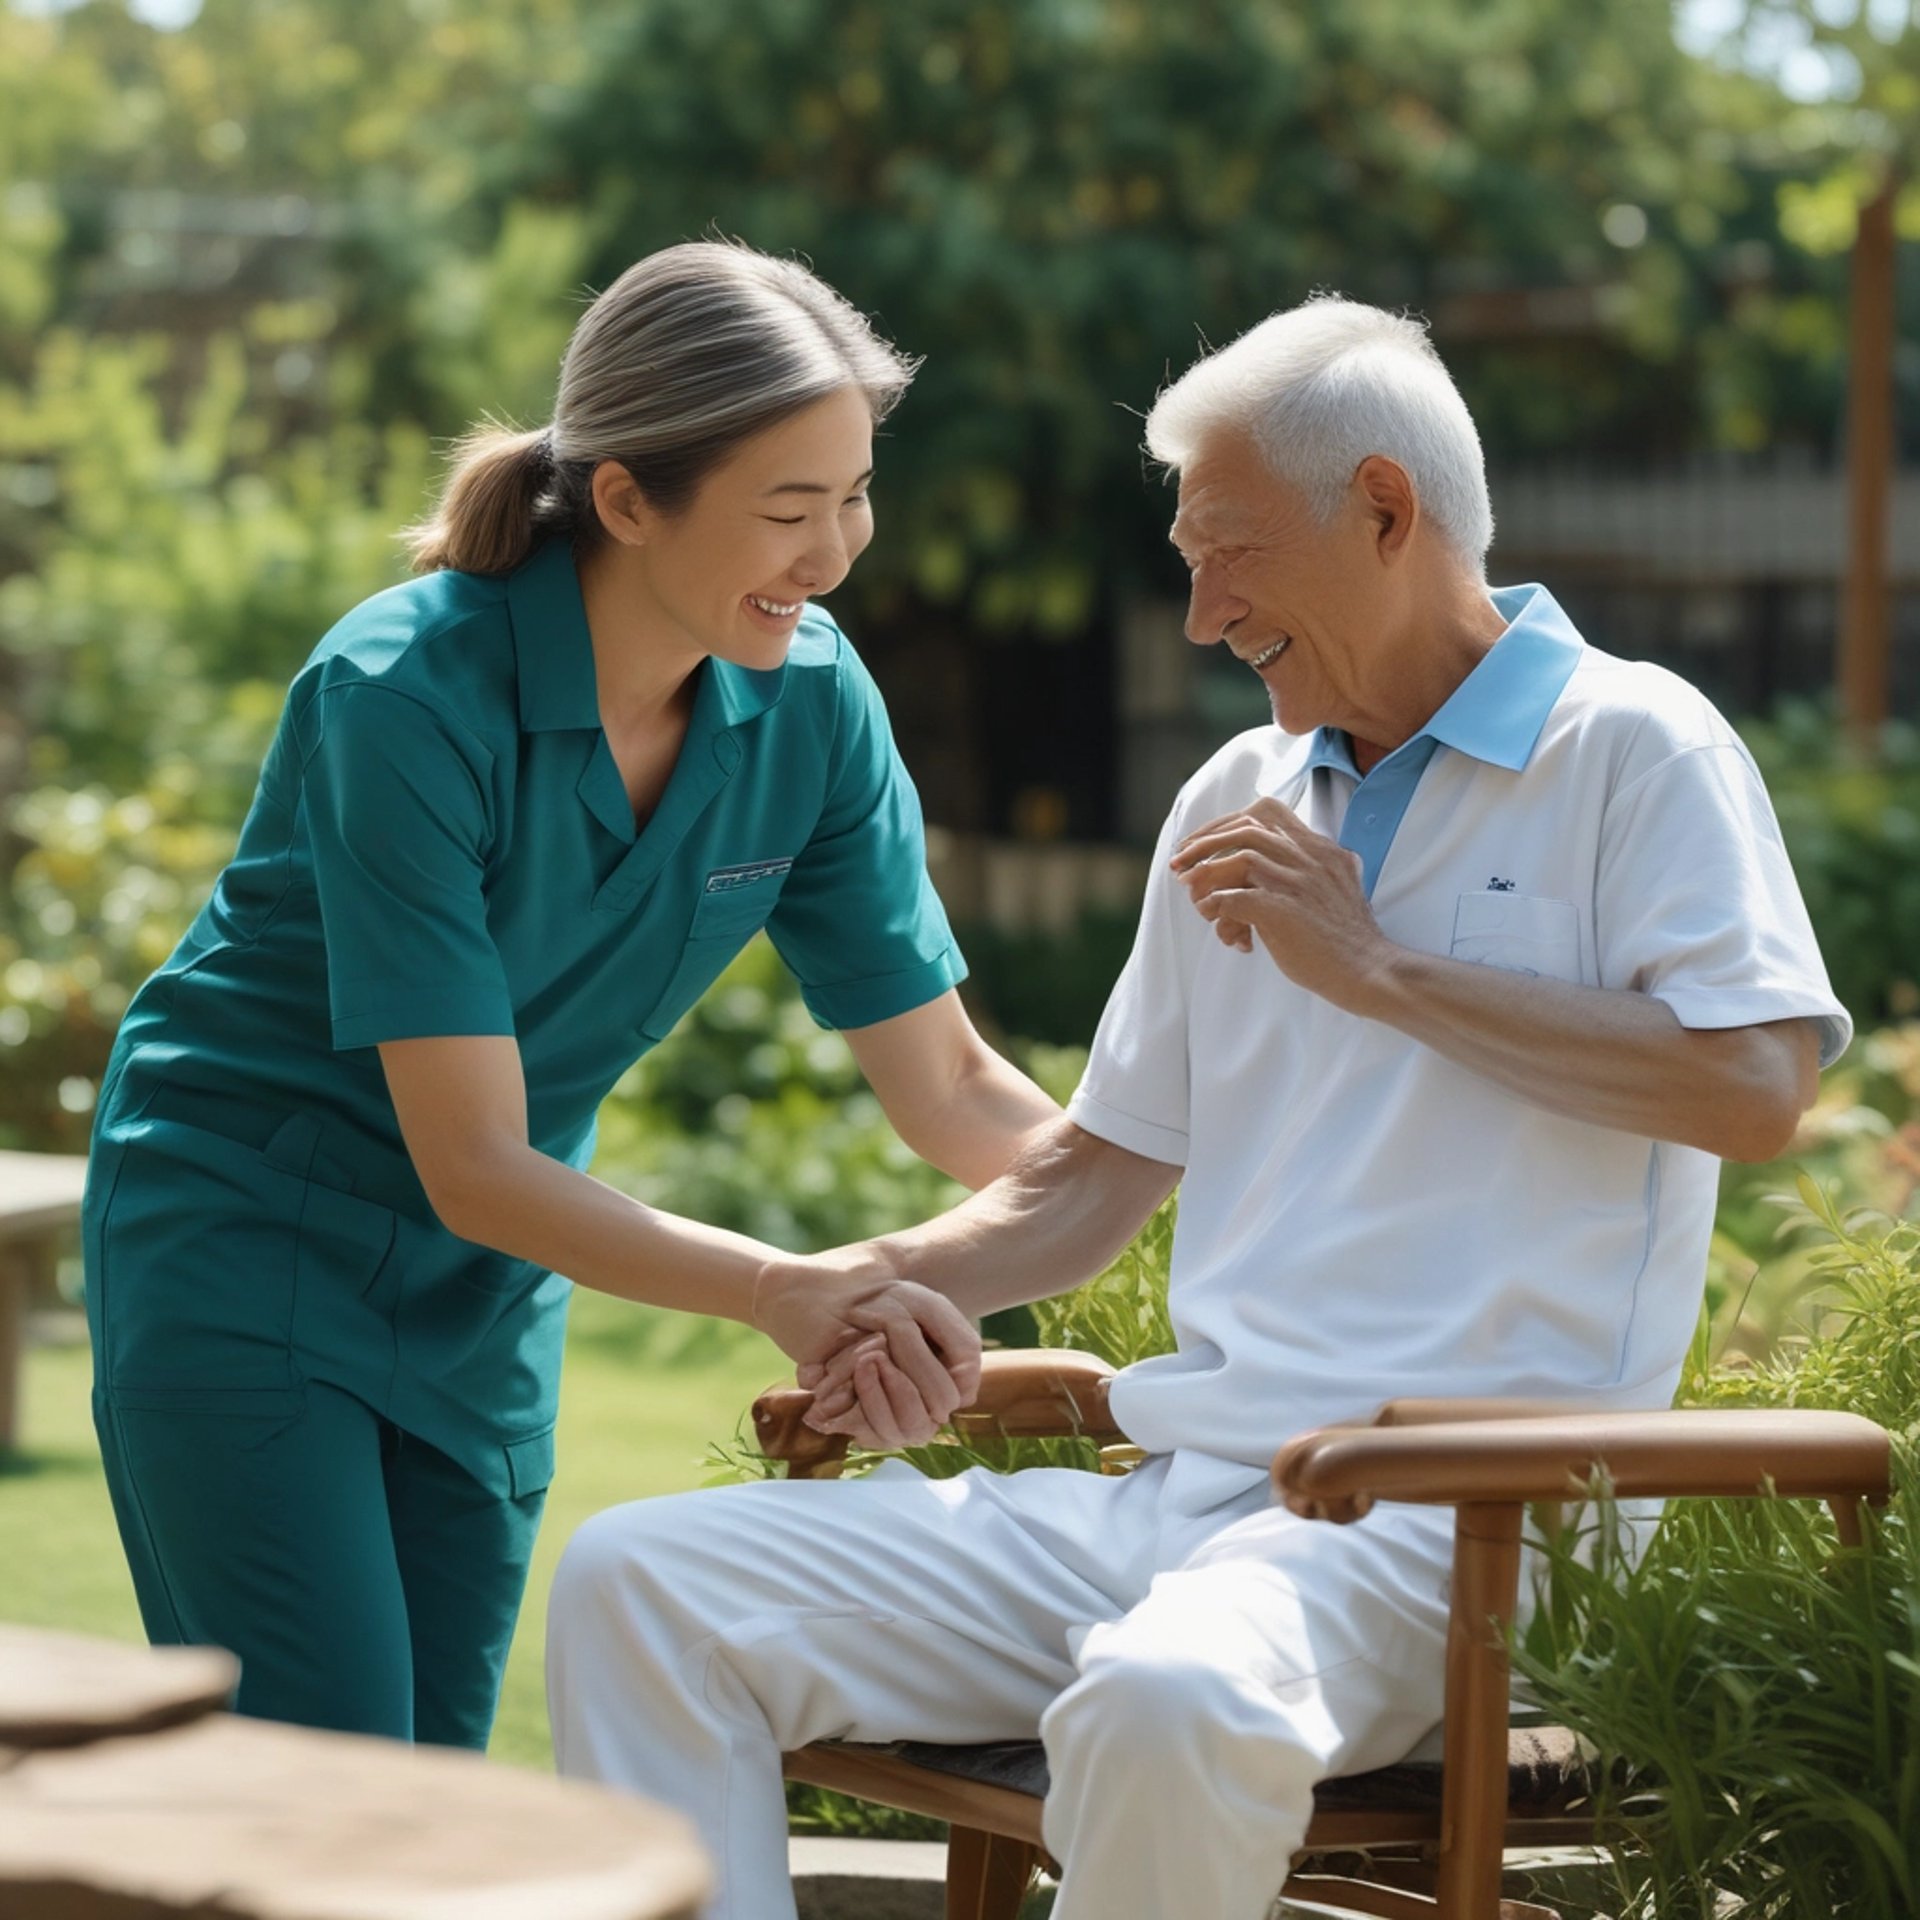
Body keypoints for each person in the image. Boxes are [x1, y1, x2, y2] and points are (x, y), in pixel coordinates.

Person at [545, 296, 1852, 1920]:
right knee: (645, 1584)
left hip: (1459, 1531)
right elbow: (1086, 1181)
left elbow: (1754, 1086)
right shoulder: (1233, 798)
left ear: (1385, 510)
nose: (1198, 615)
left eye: (1227, 553)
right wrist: (877, 1294)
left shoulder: (1637, 749)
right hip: (1183, 1500)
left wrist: (1375, 966)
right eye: (1187, 558)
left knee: (1172, 1699)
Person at [82, 240, 1054, 1750]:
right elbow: (470, 1159)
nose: (837, 553)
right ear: (623, 498)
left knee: (440, 1801)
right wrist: (778, 1289)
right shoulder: (403, 695)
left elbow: (952, 1086)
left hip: (492, 1283)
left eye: (856, 494)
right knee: (323, 1789)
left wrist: (1208, 1217)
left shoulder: (812, 698)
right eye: (789, 510)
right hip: (247, 1254)